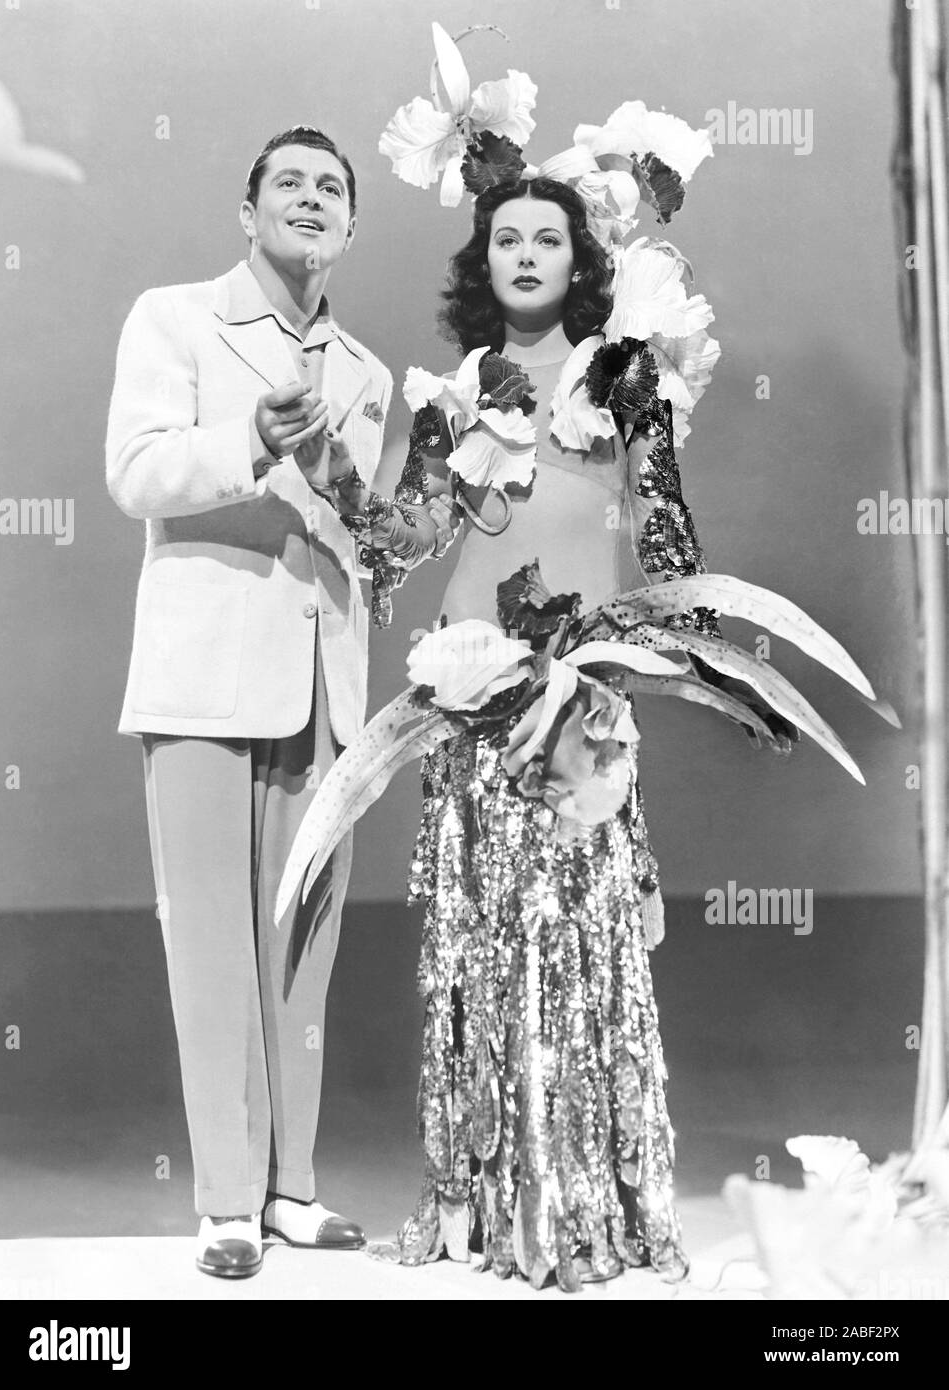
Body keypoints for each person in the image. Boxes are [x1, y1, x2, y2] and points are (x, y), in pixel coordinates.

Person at [295, 173, 793, 1291]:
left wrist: (721, 667)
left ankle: (577, 1200)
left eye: (547, 238)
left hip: (582, 694)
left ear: (582, 260)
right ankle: (478, 1201)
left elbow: (665, 540)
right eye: (505, 238)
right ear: (484, 263)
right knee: (476, 952)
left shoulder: (627, 379)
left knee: (581, 953)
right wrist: (327, 467)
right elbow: (406, 535)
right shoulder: (455, 391)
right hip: (465, 692)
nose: (525, 252)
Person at [105, 124, 455, 1280]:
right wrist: (244, 441)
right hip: (205, 677)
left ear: (351, 227)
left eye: (331, 189)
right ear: (246, 212)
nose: (310, 200)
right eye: (288, 184)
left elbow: (366, 540)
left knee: (298, 945)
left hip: (324, 694)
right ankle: (223, 1202)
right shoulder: (175, 318)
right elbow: (135, 471)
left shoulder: (363, 371)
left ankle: (290, 1186)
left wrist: (446, 493)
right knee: (209, 942)